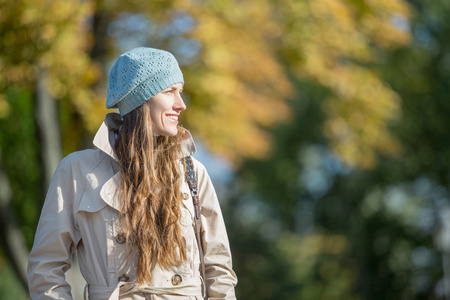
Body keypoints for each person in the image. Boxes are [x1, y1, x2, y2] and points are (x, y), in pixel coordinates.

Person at [27, 47, 237, 300]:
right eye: (169, 91)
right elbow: (45, 268)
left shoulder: (192, 172)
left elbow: (219, 269)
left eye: (180, 92)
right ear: (140, 100)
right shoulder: (78, 171)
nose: (181, 104)